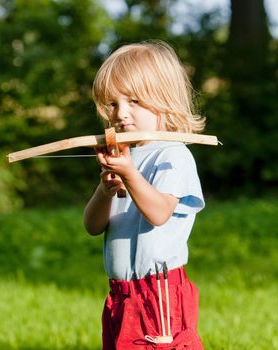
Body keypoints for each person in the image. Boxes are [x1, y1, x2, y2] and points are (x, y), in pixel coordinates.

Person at [83, 40, 205, 350]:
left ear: (164, 100)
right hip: (121, 293)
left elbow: (160, 212)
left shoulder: (173, 154)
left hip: (158, 293)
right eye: (112, 103)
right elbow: (93, 226)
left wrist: (129, 173)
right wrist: (105, 190)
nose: (121, 113)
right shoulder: (124, 156)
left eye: (134, 100)